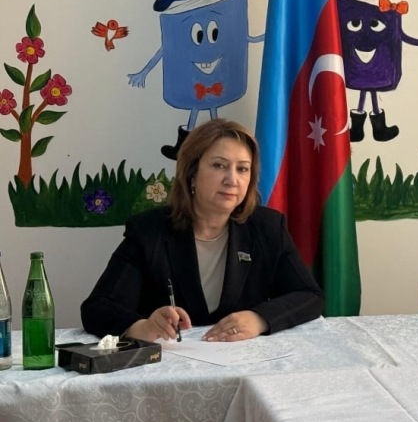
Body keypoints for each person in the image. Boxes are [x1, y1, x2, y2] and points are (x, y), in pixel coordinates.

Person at [82, 118, 323, 341]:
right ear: (191, 174)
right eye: (219, 165)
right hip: (171, 363)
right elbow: (98, 307)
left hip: (242, 362)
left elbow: (309, 295)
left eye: (242, 169)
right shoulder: (149, 231)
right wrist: (142, 326)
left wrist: (260, 319)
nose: (232, 180)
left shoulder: (267, 227)